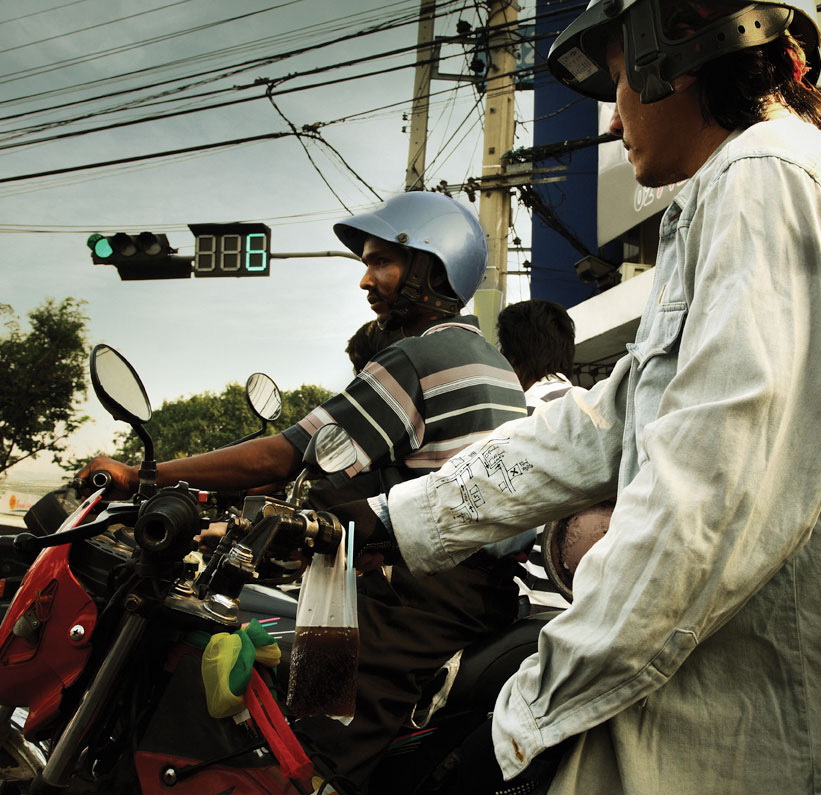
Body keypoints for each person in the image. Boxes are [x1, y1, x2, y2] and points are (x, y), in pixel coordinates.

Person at [368, 0, 821, 792]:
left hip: (754, 704)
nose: (613, 121)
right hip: (723, 680)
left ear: (668, 57)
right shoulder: (738, 188)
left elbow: (709, 491)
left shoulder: (763, 178)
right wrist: (393, 519)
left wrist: (526, 721)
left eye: (617, 82)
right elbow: (604, 425)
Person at [79, 191, 529, 792]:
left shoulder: (419, 356)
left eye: (382, 263)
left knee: (309, 737)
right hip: (476, 587)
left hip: (425, 591)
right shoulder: (487, 359)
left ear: (431, 265)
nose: (366, 281)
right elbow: (314, 466)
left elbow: (282, 454)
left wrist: (143, 475)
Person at [495, 299, 579, 611]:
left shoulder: (518, 414)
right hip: (583, 594)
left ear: (512, 357)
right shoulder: (591, 406)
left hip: (535, 594)